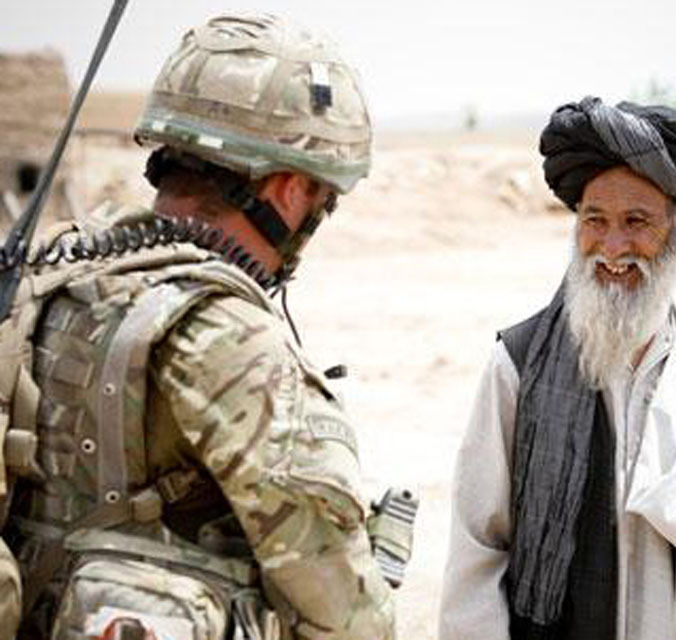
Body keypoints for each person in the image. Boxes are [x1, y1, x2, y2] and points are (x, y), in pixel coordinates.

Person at [2, 13, 396, 640]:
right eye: (323, 196)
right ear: (291, 189)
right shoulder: (231, 337)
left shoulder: (44, 279)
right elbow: (340, 611)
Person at [439, 96, 676, 640]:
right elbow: (477, 549)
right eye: (595, 220)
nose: (612, 247)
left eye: (636, 222)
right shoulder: (519, 363)